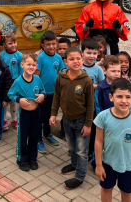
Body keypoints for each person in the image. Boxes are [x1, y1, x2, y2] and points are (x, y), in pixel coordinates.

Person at [95, 78, 131, 202]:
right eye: (119, 96)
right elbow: (98, 142)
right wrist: (98, 165)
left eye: (128, 97)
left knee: (127, 192)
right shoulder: (103, 117)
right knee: (106, 189)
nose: (124, 101)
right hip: (108, 163)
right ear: (111, 97)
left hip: (128, 165)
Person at [50, 48, 94, 190]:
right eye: (72, 59)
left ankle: (80, 177)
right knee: (72, 146)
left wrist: (88, 124)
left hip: (81, 121)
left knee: (82, 150)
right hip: (66, 119)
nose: (76, 61)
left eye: (78, 58)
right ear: (65, 61)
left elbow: (90, 105)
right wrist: (53, 114)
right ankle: (74, 165)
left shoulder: (87, 81)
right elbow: (57, 95)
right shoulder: (61, 77)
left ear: (82, 60)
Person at [8, 53, 46, 172]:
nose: (31, 67)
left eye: (33, 65)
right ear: (22, 65)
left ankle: (32, 158)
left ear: (36, 66)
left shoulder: (38, 79)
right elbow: (10, 94)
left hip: (36, 113)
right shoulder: (18, 81)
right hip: (24, 114)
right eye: (28, 64)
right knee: (23, 137)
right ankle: (22, 159)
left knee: (35, 135)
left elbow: (43, 90)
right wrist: (19, 99)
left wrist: (42, 95)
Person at [35, 31, 65, 154]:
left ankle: (47, 135)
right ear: (42, 45)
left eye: (53, 44)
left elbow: (61, 74)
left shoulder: (58, 58)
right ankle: (37, 139)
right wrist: (37, 93)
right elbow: (36, 77)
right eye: (48, 44)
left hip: (53, 93)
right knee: (39, 117)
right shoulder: (40, 58)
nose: (51, 47)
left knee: (49, 115)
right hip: (42, 94)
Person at [0, 33, 23, 130]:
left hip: (15, 81)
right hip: (5, 81)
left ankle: (14, 120)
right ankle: (4, 120)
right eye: (10, 43)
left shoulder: (19, 55)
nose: (13, 45)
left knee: (13, 102)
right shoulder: (2, 55)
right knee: (5, 102)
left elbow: (21, 70)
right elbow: (0, 69)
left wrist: (19, 82)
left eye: (14, 42)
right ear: (5, 44)